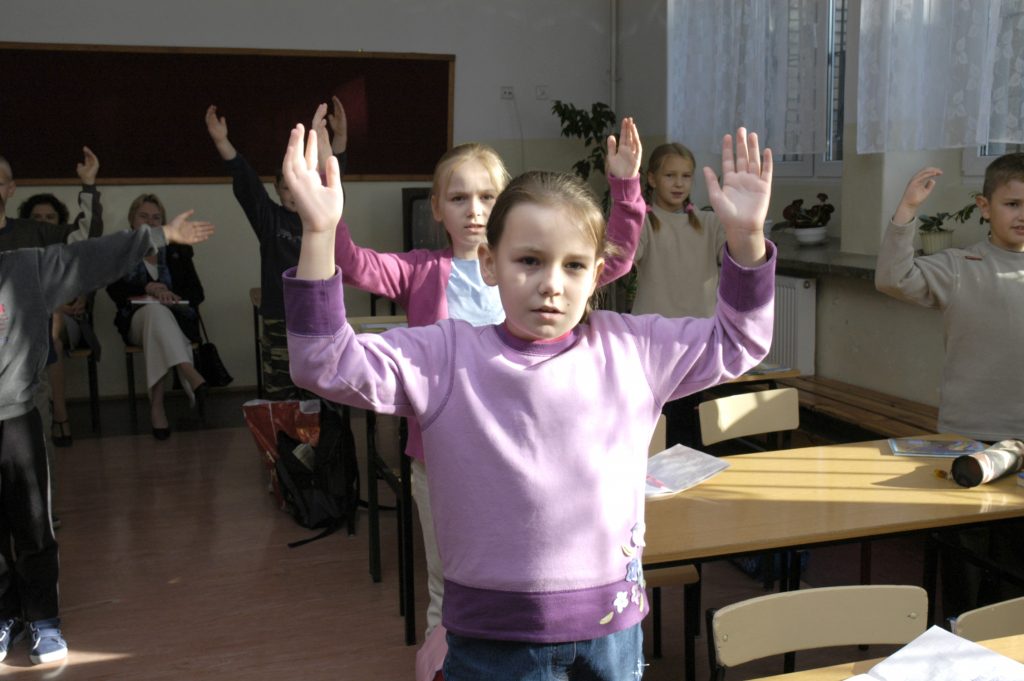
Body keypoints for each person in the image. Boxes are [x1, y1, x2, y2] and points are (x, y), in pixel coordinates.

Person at [282, 123, 774, 679]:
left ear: (597, 276)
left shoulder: (633, 349)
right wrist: (319, 232)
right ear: (490, 264)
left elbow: (739, 342)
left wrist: (746, 241)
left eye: (573, 266)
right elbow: (322, 362)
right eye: (529, 261)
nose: (551, 284)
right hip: (492, 638)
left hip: (609, 634)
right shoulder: (446, 356)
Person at [333, 117, 646, 648]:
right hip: (446, 458)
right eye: (458, 199)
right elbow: (351, 263)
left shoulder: (537, 269)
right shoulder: (420, 271)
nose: (474, 211)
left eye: (486, 197)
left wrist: (625, 189)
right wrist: (328, 206)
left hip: (538, 457)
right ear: (437, 208)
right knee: (449, 588)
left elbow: (610, 255)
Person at [0, 208, 214, 666]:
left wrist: (160, 233)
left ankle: (41, 619)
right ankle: (5, 615)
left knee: (34, 525)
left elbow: (90, 256)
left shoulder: (26, 267)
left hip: (15, 418)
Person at [875, 157, 1024, 617]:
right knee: (964, 567)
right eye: (1012, 203)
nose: (1023, 214)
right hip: (968, 437)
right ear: (984, 206)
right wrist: (905, 214)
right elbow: (893, 278)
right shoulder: (961, 266)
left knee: (1013, 579)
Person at [205, 99, 347, 399]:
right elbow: (247, 183)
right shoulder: (271, 219)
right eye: (287, 189)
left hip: (318, 318)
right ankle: (285, 446)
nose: (295, 196)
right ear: (278, 188)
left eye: (300, 188)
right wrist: (222, 141)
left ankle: (319, 446)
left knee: (320, 393)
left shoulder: (321, 218)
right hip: (278, 319)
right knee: (282, 395)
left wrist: (340, 139)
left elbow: (333, 175)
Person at [632, 142, 729, 448]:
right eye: (670, 175)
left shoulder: (710, 223)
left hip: (697, 340)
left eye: (686, 176)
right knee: (653, 422)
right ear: (651, 179)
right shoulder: (644, 222)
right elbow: (623, 260)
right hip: (652, 341)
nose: (678, 183)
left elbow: (739, 260)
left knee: (688, 426)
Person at [16, 146, 104, 448]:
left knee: (50, 327)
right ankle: (45, 418)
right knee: (45, 326)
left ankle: (60, 415)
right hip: (28, 326)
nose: (42, 222)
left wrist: (80, 297)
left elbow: (90, 245)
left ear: (58, 221)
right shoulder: (19, 251)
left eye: (49, 217)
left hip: (70, 323)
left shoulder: (68, 249)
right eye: (36, 217)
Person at [105, 194, 209, 439]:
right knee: (152, 311)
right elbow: (114, 291)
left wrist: (169, 293)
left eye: (156, 217)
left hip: (175, 320)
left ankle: (157, 407)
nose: (150, 222)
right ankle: (188, 372)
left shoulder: (177, 248)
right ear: (132, 219)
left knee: (157, 315)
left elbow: (197, 293)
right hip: (134, 321)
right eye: (144, 216)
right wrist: (147, 290)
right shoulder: (120, 248)